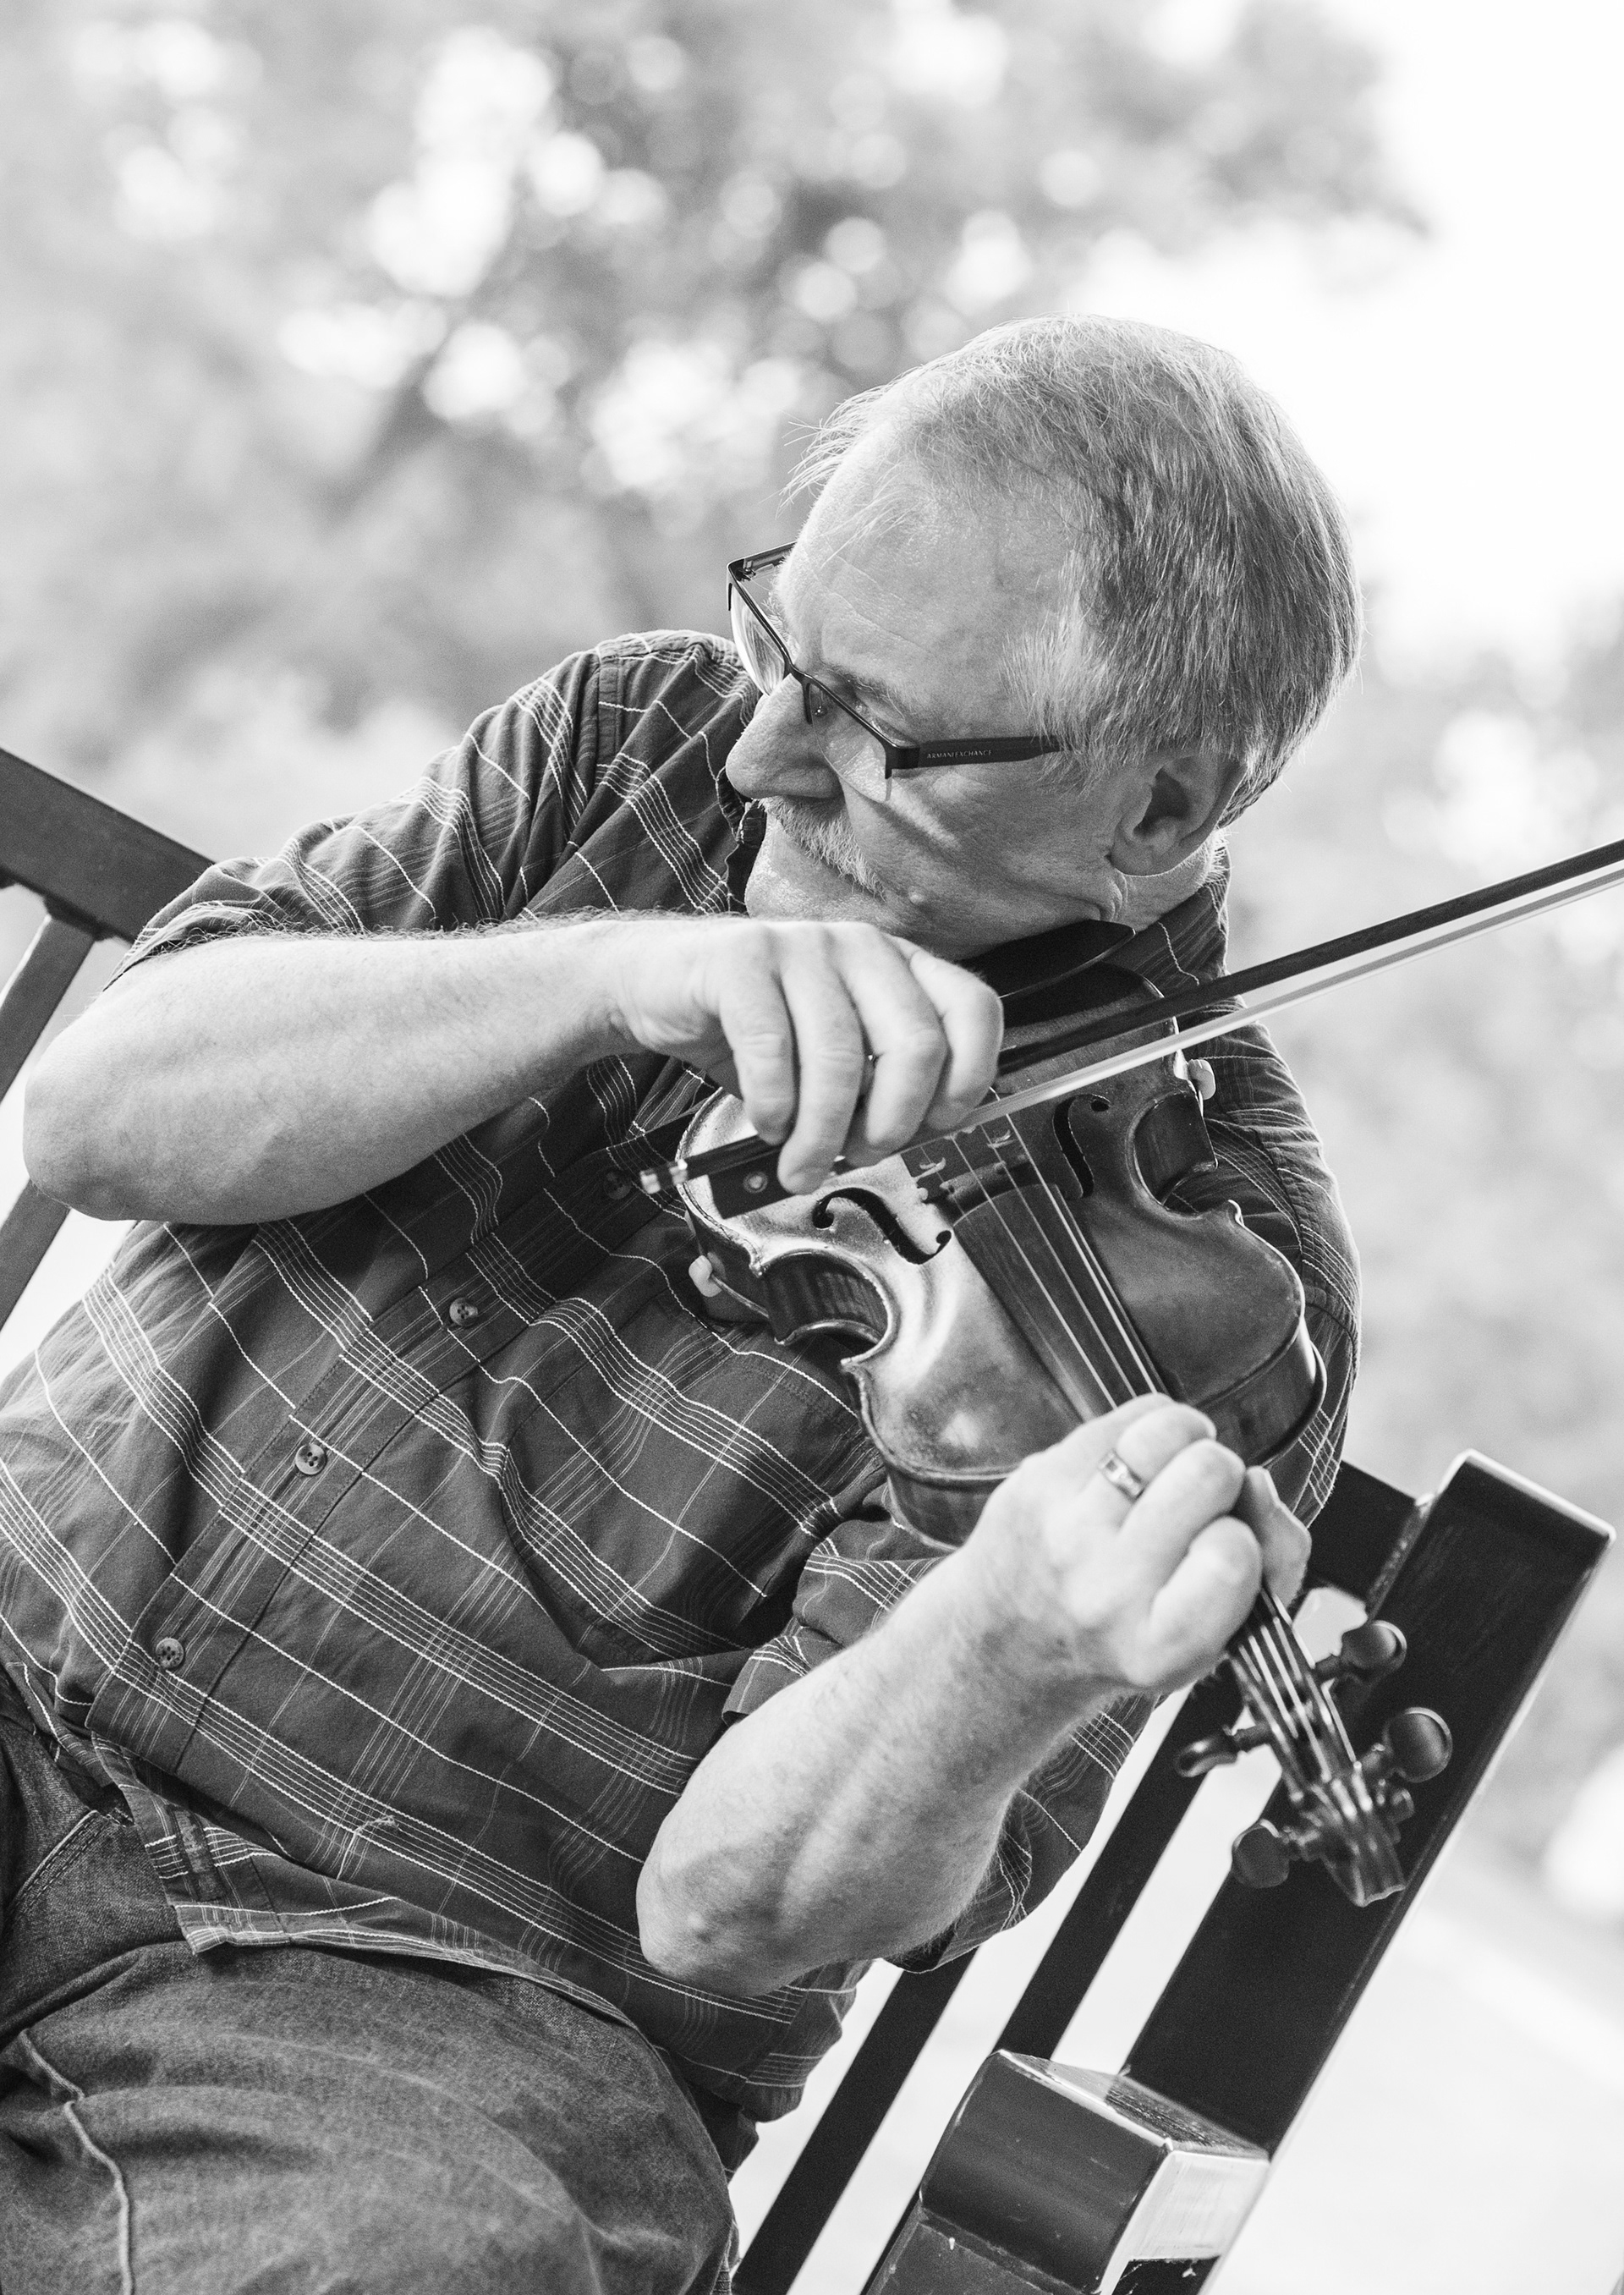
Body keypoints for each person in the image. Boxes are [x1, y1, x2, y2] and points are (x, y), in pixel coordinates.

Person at [0, 316, 1360, 2292]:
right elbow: (103, 1104)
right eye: (776, 650)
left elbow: (733, 1912)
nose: (759, 754)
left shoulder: (1198, 1308)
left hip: (419, 2020)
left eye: (874, 729)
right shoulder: (633, 754)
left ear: (1159, 814)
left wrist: (1000, 1645)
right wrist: (600, 972)